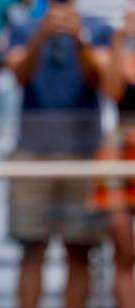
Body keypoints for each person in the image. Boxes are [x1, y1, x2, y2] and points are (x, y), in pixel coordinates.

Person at [4, 1, 111, 307]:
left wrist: (80, 39)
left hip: (84, 153)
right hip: (32, 152)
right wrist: (41, 37)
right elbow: (19, 76)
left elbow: (101, 81)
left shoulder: (98, 29)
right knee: (30, 249)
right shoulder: (25, 28)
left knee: (80, 250)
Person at [98, 6, 135, 308]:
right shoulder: (121, 56)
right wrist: (120, 38)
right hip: (121, 152)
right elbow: (111, 92)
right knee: (123, 250)